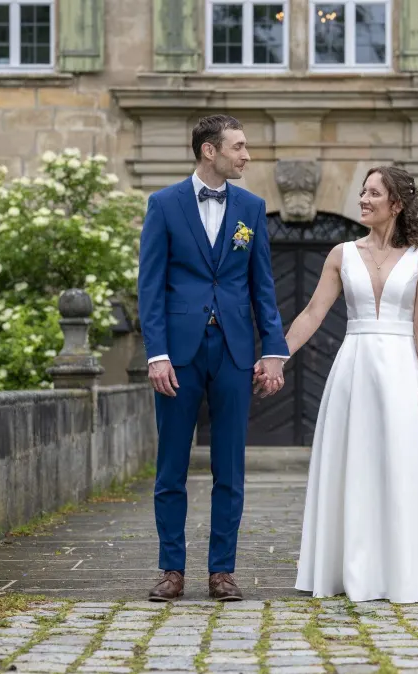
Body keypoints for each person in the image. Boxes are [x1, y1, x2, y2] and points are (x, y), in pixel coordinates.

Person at [261, 165, 418, 603]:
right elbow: (312, 313)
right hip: (355, 367)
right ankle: (355, 568)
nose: (363, 200)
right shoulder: (341, 254)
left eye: (372, 194)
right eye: (362, 192)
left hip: (403, 369)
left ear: (396, 204)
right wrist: (277, 356)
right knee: (356, 463)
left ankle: (407, 569)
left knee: (404, 464)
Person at [136, 114, 289, 602]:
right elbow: (150, 286)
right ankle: (171, 570)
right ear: (210, 150)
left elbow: (262, 288)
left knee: (230, 465)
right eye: (239, 147)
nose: (246, 155)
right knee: (171, 465)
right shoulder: (163, 205)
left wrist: (274, 352)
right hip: (177, 354)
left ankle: (222, 571)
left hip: (234, 350)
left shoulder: (251, 207)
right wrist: (156, 354)